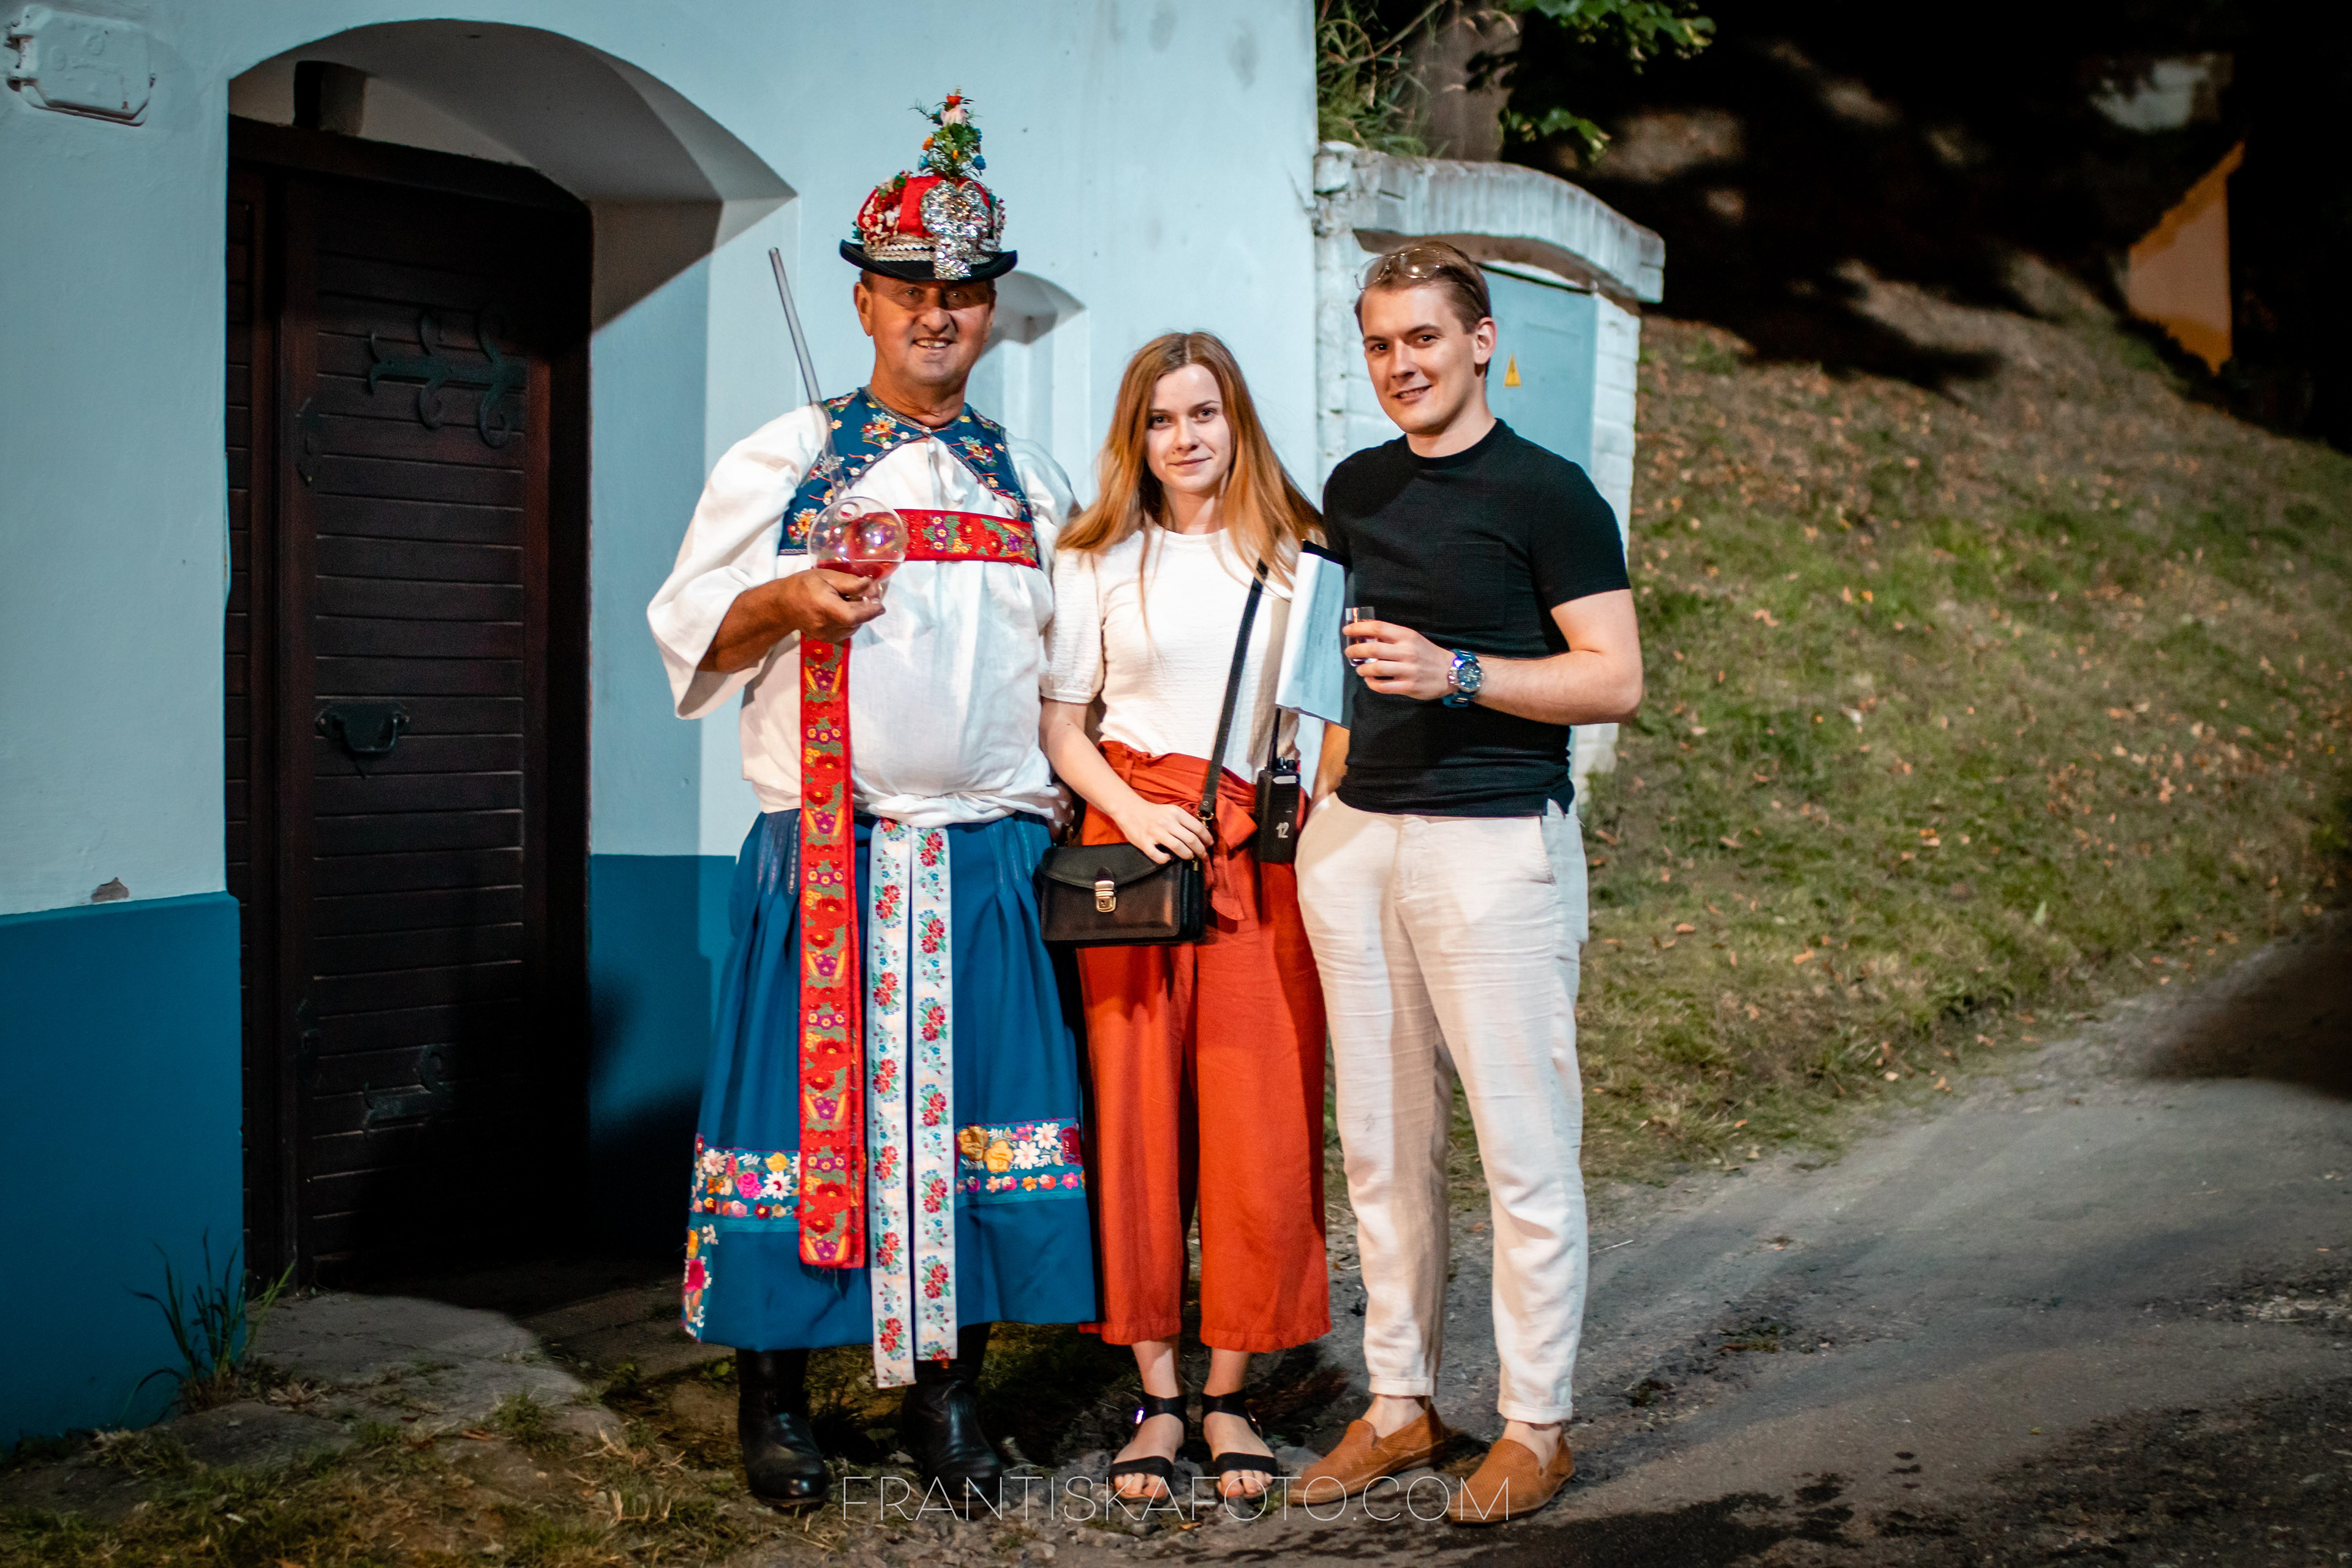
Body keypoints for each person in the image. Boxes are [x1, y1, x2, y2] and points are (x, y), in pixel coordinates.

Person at [646, 95, 1095, 1513]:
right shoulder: (781, 460)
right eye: (909, 288)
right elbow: (687, 628)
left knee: (973, 1128)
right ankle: (776, 1395)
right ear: (864, 300)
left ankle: (946, 1396)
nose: (935, 314)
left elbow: (1077, 679)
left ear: (991, 309)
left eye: (962, 291)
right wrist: (787, 597)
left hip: (991, 861)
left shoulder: (1034, 484)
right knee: (801, 1128)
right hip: (827, 855)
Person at [1292, 241, 1644, 1525]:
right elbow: (1335, 665)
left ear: (1482, 340)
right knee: (1382, 1147)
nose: (1403, 365)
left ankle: (1538, 1423)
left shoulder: (1552, 494)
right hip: (1359, 840)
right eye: (1381, 344)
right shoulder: (1357, 485)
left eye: (1425, 339)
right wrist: (1325, 809)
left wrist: (1461, 675)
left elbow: (1614, 676)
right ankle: (1401, 1403)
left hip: (1493, 841)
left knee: (1523, 1148)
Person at [1038, 333, 1330, 1506]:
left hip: (1259, 859)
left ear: (1235, 420)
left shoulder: (1299, 554)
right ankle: (1157, 1398)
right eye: (1161, 420)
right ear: (1138, 438)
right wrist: (1133, 810)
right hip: (1131, 859)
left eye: (1203, 413)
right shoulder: (1098, 556)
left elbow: (1319, 721)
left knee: (1262, 1125)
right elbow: (1063, 724)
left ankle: (1230, 1393)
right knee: (1137, 1126)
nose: (1185, 437)